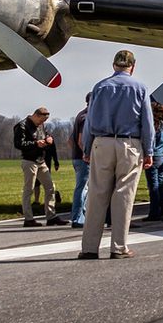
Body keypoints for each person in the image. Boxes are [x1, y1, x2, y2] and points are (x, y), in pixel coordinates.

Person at [79, 49, 155, 259]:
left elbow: (90, 121)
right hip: (129, 143)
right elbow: (147, 123)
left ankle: (89, 248)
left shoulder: (100, 87)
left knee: (96, 194)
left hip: (101, 142)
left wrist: (87, 148)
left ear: (114, 66)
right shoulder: (140, 88)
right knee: (124, 195)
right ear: (133, 66)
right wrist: (148, 150)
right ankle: (119, 247)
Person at [16, 107, 67, 227]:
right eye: (41, 120)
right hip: (29, 161)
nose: (42, 123)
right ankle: (28, 219)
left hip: (41, 160)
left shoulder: (41, 126)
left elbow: (45, 134)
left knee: (50, 187)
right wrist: (35, 143)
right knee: (29, 189)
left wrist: (48, 138)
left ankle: (51, 216)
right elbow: (18, 143)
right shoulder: (22, 126)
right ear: (36, 116)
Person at [143, 101, 163, 222]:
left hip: (154, 156)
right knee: (160, 185)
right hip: (162, 156)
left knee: (153, 186)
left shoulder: (153, 126)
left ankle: (154, 212)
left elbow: (151, 142)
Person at [69, 94, 91, 228]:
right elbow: (81, 140)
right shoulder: (87, 117)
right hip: (84, 159)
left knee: (84, 188)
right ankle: (78, 218)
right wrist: (86, 154)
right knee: (82, 188)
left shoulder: (80, 115)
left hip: (77, 157)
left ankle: (82, 215)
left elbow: (70, 141)